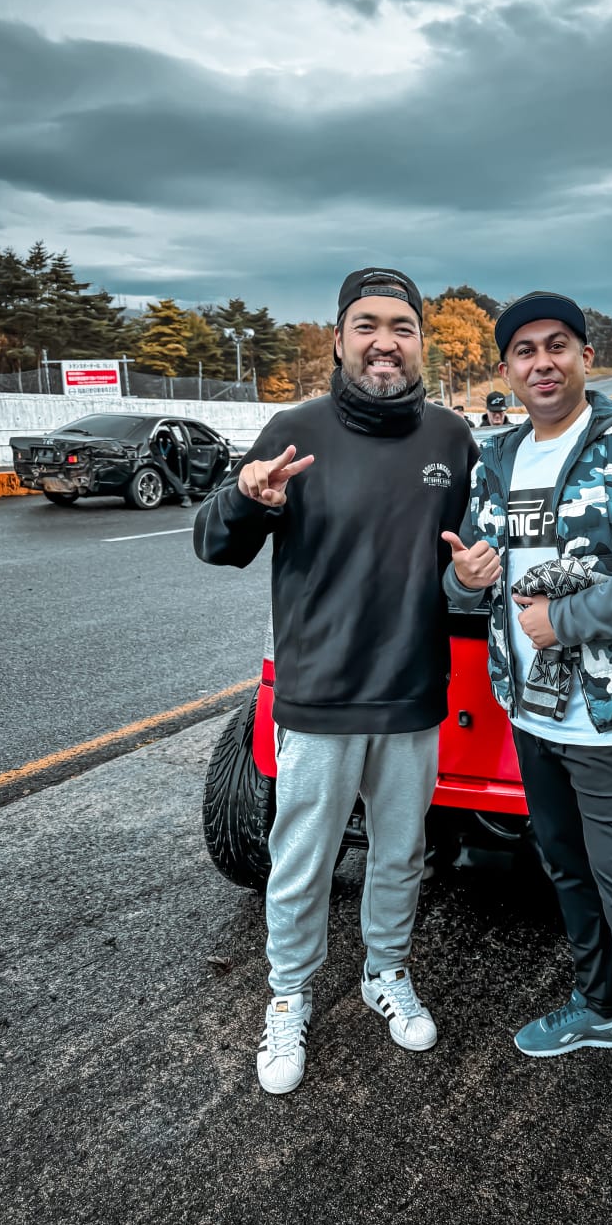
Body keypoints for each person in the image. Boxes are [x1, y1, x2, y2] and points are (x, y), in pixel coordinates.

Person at [442, 290, 612, 1204]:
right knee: (562, 867)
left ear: (585, 356)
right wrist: (463, 576)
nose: (541, 362)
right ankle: (599, 1007)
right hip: (531, 711)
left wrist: (569, 620)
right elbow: (472, 576)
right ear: (506, 369)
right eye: (523, 350)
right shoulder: (497, 455)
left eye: (557, 345)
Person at [194, 266, 475, 1095]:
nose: (385, 342)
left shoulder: (452, 440)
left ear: (420, 342)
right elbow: (216, 544)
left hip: (412, 691)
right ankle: (288, 995)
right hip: (318, 694)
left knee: (401, 853)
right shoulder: (294, 428)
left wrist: (473, 579)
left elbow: (465, 563)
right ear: (340, 340)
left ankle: (386, 973)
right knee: (301, 859)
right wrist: (248, 499)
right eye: (367, 326)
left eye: (402, 327)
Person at [152, 425, 193, 507]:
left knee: (169, 473)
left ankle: (183, 495)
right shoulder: (157, 446)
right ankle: (184, 496)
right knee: (169, 473)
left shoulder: (159, 445)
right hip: (159, 464)